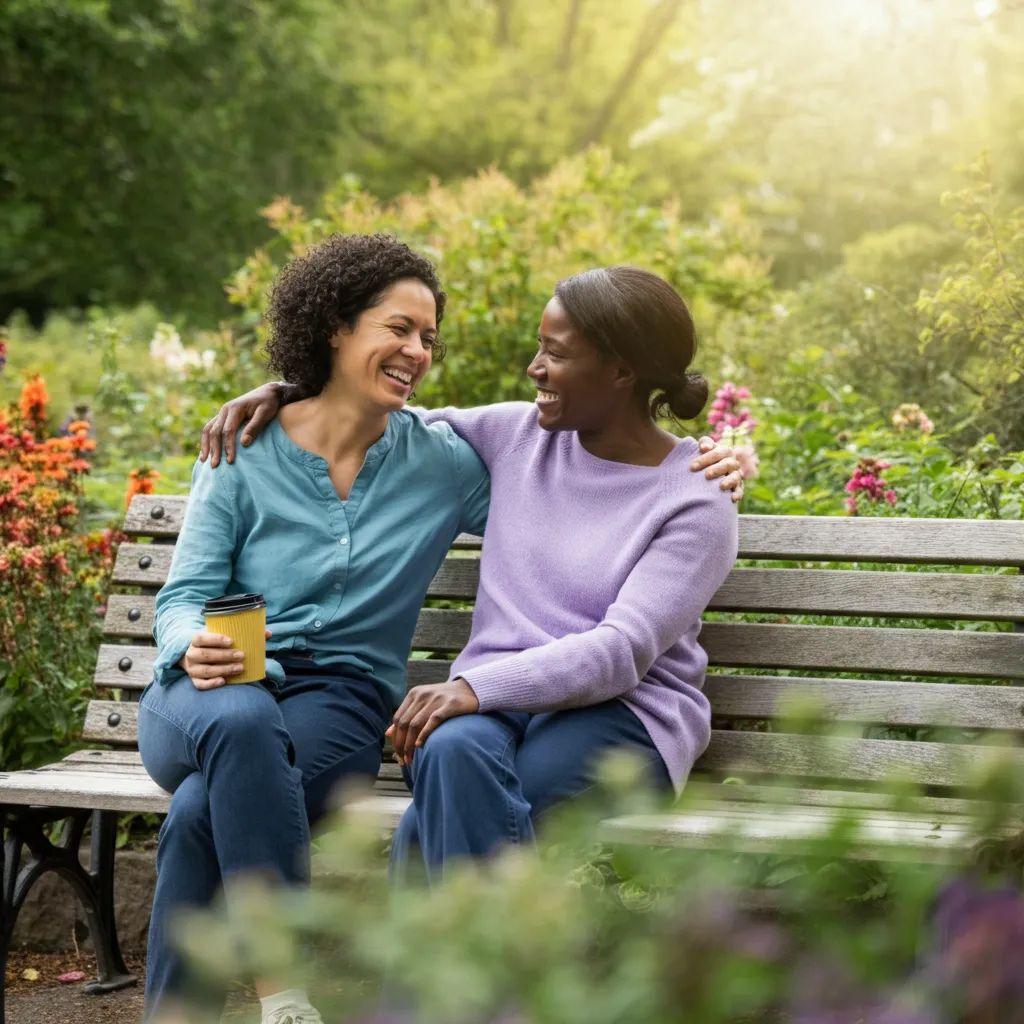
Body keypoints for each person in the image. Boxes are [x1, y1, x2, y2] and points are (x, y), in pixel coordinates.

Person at [201, 263, 741, 886]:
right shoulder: (514, 435)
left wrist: (474, 690)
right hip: (493, 702)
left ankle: (447, 985)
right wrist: (284, 392)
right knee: (450, 750)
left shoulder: (697, 497)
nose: (534, 368)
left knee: (434, 819)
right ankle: (471, 982)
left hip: (623, 713)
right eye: (539, 347)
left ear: (620, 370)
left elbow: (622, 653)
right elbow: (373, 414)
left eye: (554, 353)